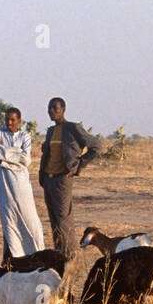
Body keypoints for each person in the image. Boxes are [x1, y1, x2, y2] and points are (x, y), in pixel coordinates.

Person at [39, 97, 99, 258]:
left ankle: (70, 257)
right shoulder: (51, 131)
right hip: (48, 179)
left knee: (63, 219)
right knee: (54, 219)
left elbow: (96, 146)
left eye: (55, 108)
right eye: (49, 108)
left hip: (62, 179)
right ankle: (60, 255)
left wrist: (78, 167)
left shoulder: (73, 128)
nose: (51, 111)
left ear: (63, 109)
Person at [0, 107, 45, 261]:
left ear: (19, 121)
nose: (9, 123)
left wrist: (5, 155)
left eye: (13, 120)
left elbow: (26, 160)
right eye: (7, 119)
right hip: (4, 184)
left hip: (21, 185)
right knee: (8, 220)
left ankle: (36, 255)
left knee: (30, 219)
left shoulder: (25, 136)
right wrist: (16, 154)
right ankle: (14, 259)